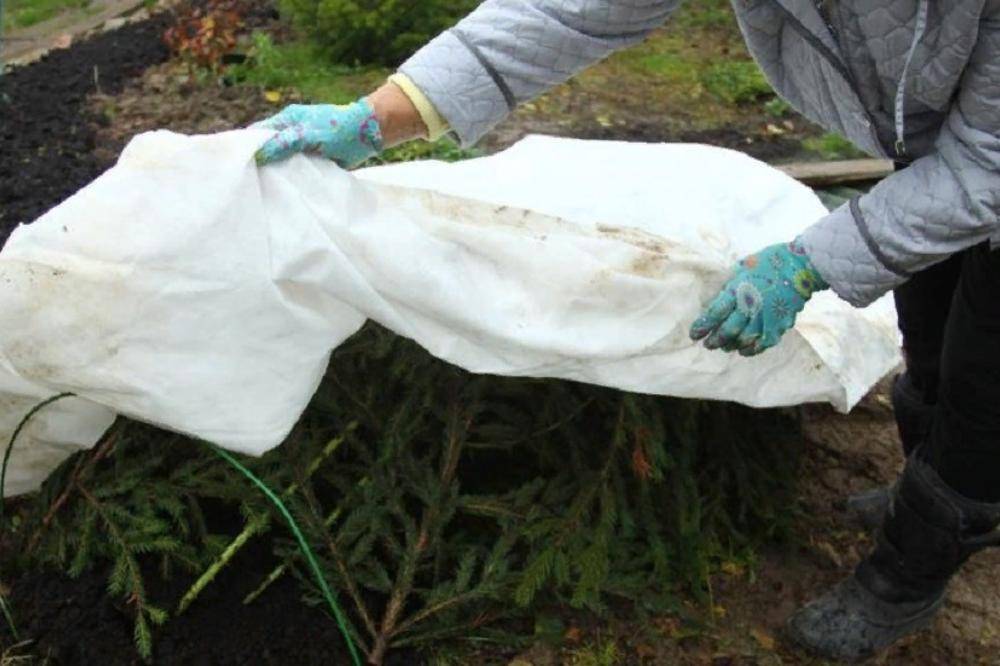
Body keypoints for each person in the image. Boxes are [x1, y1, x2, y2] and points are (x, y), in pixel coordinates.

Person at [252, 1, 1000, 660]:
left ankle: (909, 572)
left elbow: (985, 166)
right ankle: (919, 482)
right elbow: (567, 11)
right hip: (940, 150)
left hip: (986, 160)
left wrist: (811, 262)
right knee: (931, 334)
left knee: (984, 391)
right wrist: (381, 115)